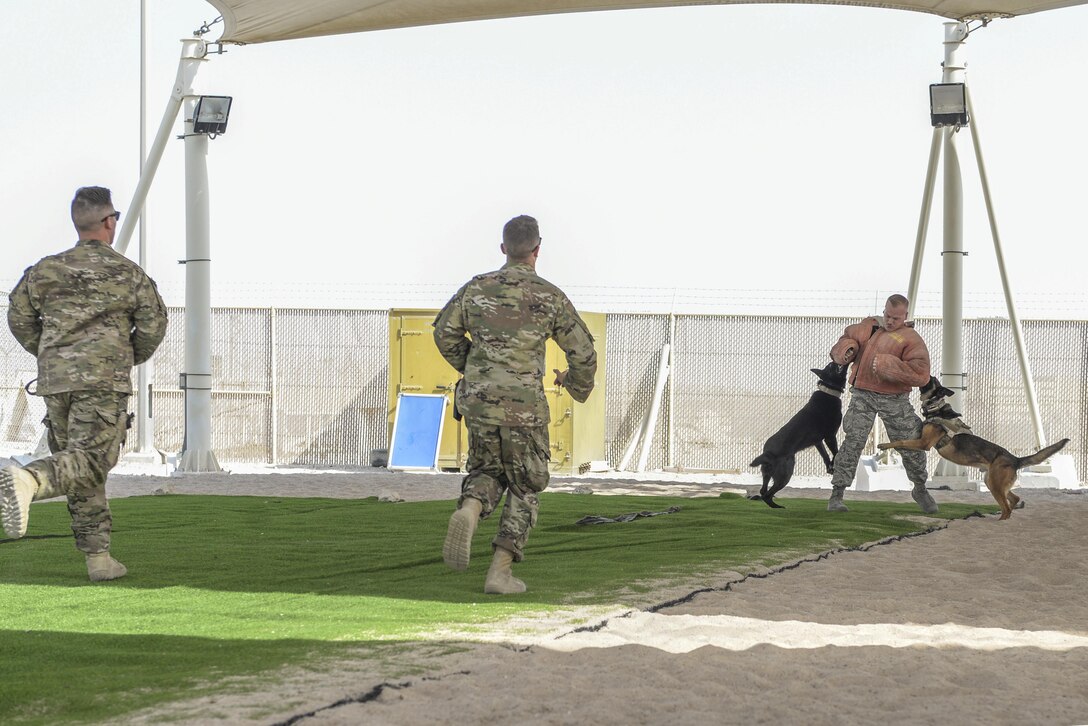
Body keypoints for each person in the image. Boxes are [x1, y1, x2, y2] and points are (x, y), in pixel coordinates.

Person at [1, 186, 168, 581]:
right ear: (109, 222)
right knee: (92, 460)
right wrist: (123, 357)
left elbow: (19, 318)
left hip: (56, 382)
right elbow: (152, 326)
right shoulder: (128, 274)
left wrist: (51, 354)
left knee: (79, 465)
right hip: (102, 381)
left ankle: (98, 559)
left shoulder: (44, 270)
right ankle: (29, 478)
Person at [433, 215, 597, 594]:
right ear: (537, 250)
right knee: (526, 484)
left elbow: (444, 332)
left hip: (479, 403)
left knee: (487, 469)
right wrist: (573, 384)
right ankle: (499, 572)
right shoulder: (550, 296)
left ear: (504, 248)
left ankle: (470, 510)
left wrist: (477, 369)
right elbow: (584, 354)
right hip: (524, 407)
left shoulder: (477, 288)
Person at [826, 293, 938, 514]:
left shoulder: (910, 338)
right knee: (854, 440)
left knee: (911, 442)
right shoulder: (869, 326)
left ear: (905, 316)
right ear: (884, 310)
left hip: (894, 399)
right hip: (862, 394)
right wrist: (846, 348)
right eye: (888, 315)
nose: (890, 321)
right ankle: (836, 494)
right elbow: (846, 339)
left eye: (895, 318)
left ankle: (920, 488)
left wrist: (891, 367)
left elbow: (922, 374)